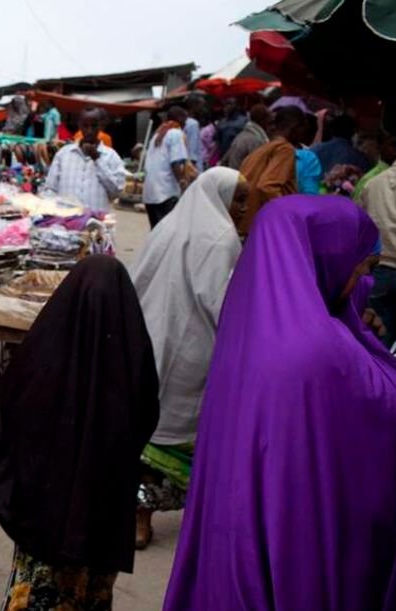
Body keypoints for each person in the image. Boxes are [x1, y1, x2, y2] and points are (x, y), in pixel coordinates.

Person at [160, 195, 396, 611]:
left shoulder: (251, 324)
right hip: (297, 564)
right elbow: (390, 415)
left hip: (235, 539)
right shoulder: (321, 353)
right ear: (327, 255)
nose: (366, 279)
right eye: (363, 265)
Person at [0, 255, 159, 611]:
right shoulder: (132, 355)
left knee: (43, 580)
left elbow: (12, 410)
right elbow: (147, 414)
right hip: (103, 498)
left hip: (45, 499)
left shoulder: (44, 352)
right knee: (93, 569)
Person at [129, 168, 249, 549]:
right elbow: (222, 303)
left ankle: (136, 515)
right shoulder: (222, 238)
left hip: (150, 341)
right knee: (172, 440)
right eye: (240, 199)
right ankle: (143, 516)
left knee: (145, 434)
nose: (244, 209)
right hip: (190, 354)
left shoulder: (168, 226)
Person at [359, 135, 396, 345]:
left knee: (381, 339)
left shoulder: (372, 182)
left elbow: (361, 227)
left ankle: (384, 377)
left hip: (379, 270)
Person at [238, 106, 309, 234]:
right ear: (295, 127)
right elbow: (267, 186)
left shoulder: (261, 150)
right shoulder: (285, 149)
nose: (305, 133)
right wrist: (286, 219)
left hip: (246, 224)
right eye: (304, 128)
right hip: (262, 227)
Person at [46, 107, 127, 212]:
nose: (89, 131)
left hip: (97, 224)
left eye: (94, 126)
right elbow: (50, 188)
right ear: (79, 125)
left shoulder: (111, 156)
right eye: (85, 126)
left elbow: (116, 191)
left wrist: (97, 160)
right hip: (65, 222)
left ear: (101, 126)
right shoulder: (63, 154)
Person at [143, 108, 190, 227]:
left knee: (156, 232)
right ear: (179, 118)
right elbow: (175, 163)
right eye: (185, 119)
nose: (186, 122)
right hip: (166, 193)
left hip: (150, 193)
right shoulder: (176, 133)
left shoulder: (158, 134)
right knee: (168, 233)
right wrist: (182, 182)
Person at [219, 103, 271, 169]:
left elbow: (224, 160)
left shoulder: (241, 136)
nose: (272, 127)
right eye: (270, 122)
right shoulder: (256, 141)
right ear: (263, 120)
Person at [183, 97, 204, 172]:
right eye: (201, 106)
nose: (202, 109)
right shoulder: (193, 124)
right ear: (193, 106)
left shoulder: (184, 122)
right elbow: (193, 151)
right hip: (194, 168)